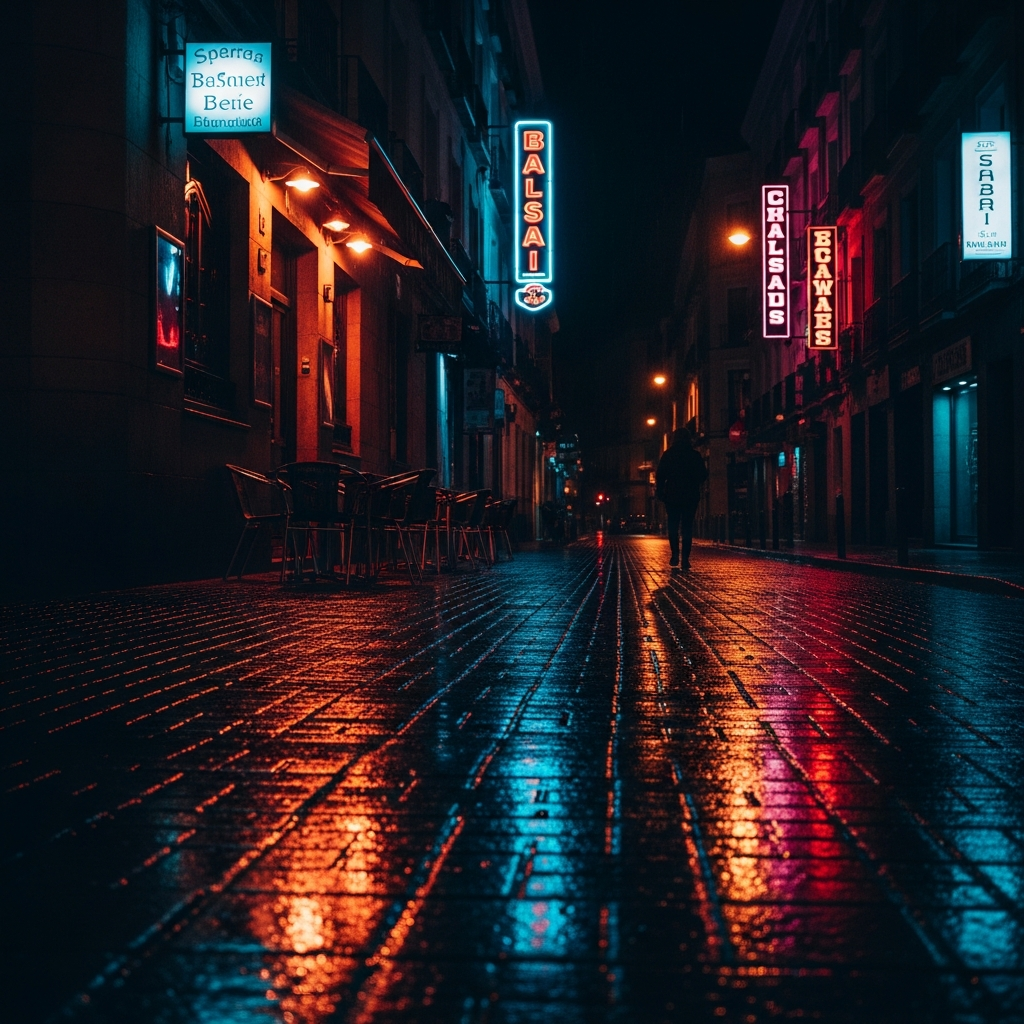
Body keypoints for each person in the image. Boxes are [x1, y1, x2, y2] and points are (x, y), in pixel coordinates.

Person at [655, 428, 708, 569]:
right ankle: (685, 559)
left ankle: (675, 555)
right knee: (687, 527)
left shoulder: (668, 455)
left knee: (673, 526)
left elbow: (660, 475)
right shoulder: (694, 455)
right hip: (690, 496)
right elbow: (703, 475)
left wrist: (660, 491)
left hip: (672, 496)